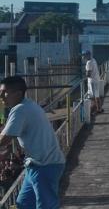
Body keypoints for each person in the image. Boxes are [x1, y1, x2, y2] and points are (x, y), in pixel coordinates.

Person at [0, 76, 65, 209]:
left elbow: (4, 139)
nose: (1, 96)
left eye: (4, 92)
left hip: (45, 165)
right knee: (23, 204)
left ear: (18, 93)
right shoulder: (29, 104)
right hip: (35, 165)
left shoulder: (20, 109)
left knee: (46, 206)